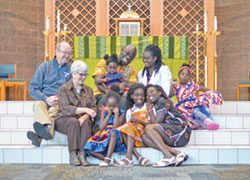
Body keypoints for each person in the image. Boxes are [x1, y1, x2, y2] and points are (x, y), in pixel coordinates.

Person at [27, 41, 72, 147]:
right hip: (45, 99)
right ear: (56, 52)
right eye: (64, 52)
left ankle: (39, 136)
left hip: (60, 101)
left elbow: (74, 90)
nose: (67, 56)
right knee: (38, 105)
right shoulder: (44, 67)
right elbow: (33, 88)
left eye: (69, 53)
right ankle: (45, 133)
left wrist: (61, 99)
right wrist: (46, 99)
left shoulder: (71, 69)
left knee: (53, 110)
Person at [55, 60, 97, 166]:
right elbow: (65, 109)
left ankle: (82, 154)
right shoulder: (63, 89)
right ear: (73, 73)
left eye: (85, 75)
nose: (83, 77)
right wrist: (85, 110)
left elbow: (93, 108)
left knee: (87, 123)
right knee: (74, 122)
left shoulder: (89, 90)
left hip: (82, 118)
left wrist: (85, 116)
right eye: (80, 74)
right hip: (64, 119)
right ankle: (73, 154)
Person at [143, 84, 191, 167]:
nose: (149, 95)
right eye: (147, 94)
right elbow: (155, 124)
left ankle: (168, 156)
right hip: (174, 136)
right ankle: (177, 153)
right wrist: (150, 109)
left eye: (151, 91)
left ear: (159, 92)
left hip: (180, 130)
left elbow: (156, 123)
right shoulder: (156, 106)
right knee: (145, 138)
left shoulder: (163, 101)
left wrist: (150, 110)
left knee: (148, 128)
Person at [92, 45, 138, 132]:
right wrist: (108, 91)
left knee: (125, 101)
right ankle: (98, 132)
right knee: (105, 100)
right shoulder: (105, 62)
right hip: (102, 94)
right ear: (121, 50)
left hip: (121, 96)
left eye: (131, 57)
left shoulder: (131, 70)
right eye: (127, 53)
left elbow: (133, 85)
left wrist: (124, 83)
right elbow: (98, 81)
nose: (128, 57)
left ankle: (119, 132)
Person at [169, 63, 223, 130]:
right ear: (179, 75)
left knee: (200, 110)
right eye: (182, 74)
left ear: (189, 77)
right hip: (184, 107)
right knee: (191, 113)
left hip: (193, 103)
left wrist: (212, 91)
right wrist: (172, 85)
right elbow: (170, 95)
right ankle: (204, 123)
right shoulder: (176, 86)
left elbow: (201, 88)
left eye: (187, 75)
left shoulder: (191, 84)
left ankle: (211, 122)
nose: (184, 76)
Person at [84, 91, 126, 166]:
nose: (112, 108)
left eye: (114, 106)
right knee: (88, 147)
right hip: (103, 133)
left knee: (113, 132)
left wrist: (116, 114)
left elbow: (116, 126)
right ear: (106, 104)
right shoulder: (104, 112)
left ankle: (108, 157)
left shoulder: (121, 113)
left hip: (115, 136)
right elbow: (101, 127)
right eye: (110, 106)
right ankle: (107, 159)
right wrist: (108, 115)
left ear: (118, 104)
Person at [114, 83, 150, 167]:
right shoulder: (130, 111)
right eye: (137, 95)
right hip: (134, 138)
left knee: (127, 127)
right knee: (125, 128)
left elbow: (152, 124)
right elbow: (127, 128)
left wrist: (139, 121)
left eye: (142, 95)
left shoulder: (148, 108)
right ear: (132, 96)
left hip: (145, 137)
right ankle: (138, 157)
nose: (139, 97)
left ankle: (129, 158)